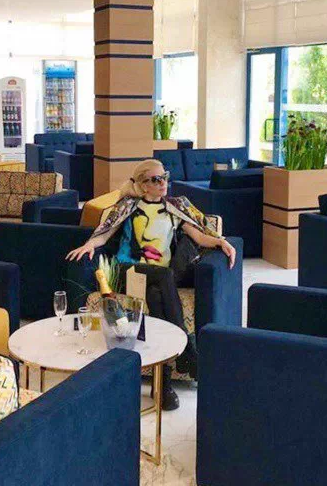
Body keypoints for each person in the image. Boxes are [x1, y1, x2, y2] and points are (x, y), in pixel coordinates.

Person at [67, 159, 236, 411]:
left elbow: (200, 235)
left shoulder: (175, 208)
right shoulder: (128, 206)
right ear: (143, 185)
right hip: (128, 270)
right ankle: (187, 349)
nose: (163, 183)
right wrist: (89, 245)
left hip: (158, 278)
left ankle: (163, 385)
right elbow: (105, 232)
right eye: (156, 180)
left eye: (164, 177)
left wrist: (221, 242)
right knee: (164, 277)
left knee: (157, 295)